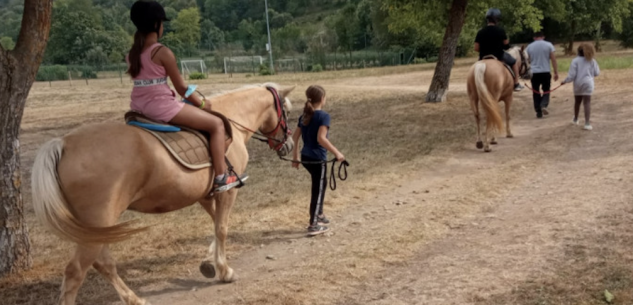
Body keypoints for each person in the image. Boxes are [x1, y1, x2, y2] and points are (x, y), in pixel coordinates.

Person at [127, 0, 246, 193]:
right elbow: (182, 88)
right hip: (162, 107)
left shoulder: (133, 53)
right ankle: (221, 177)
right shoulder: (162, 52)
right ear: (156, 24)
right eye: (162, 23)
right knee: (216, 125)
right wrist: (201, 104)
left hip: (139, 107)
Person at [291, 85, 345, 236]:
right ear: (322, 99)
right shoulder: (323, 116)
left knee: (321, 183)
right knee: (318, 188)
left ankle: (319, 214)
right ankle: (314, 224)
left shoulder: (304, 116)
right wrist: (337, 153)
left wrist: (296, 158)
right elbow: (321, 139)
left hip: (306, 157)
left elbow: (294, 138)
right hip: (317, 159)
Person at [474, 8, 523, 91]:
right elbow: (506, 46)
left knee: (475, 68)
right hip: (499, 56)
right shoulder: (500, 31)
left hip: (483, 57)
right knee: (514, 62)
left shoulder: (480, 32)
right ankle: (516, 84)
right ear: (497, 20)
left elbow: (476, 48)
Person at [562, 43, 600, 131]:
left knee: (577, 102)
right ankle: (587, 123)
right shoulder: (592, 61)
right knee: (587, 102)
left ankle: (575, 118)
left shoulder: (575, 61)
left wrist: (565, 81)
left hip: (578, 84)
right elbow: (597, 73)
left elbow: (572, 75)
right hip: (588, 83)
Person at [526, 31, 559, 118]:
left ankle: (538, 111)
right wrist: (556, 72)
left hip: (534, 72)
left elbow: (527, 60)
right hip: (545, 71)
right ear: (543, 37)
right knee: (546, 89)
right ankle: (543, 104)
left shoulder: (529, 47)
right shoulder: (549, 45)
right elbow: (553, 59)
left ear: (534, 37)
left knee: (535, 91)